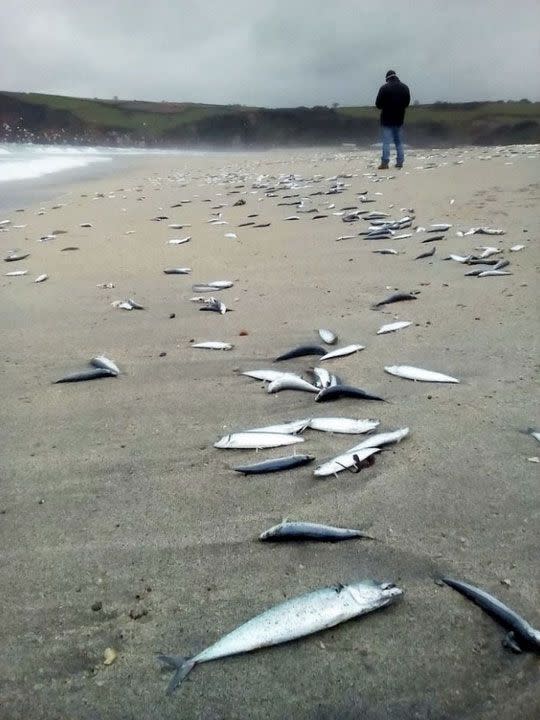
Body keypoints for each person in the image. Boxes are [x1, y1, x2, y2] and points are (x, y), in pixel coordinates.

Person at [375, 70, 410, 169]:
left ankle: (385, 163)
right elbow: (406, 103)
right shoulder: (405, 87)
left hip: (386, 119)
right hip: (399, 118)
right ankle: (400, 161)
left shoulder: (384, 88)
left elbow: (378, 104)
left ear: (387, 78)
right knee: (398, 141)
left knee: (386, 142)